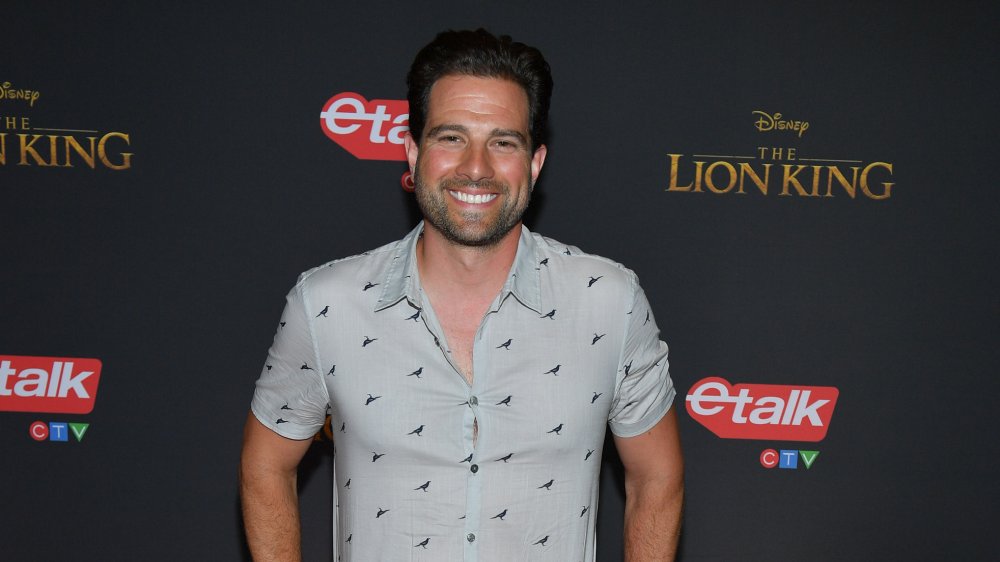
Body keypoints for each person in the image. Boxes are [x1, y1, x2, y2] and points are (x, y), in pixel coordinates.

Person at [240, 28, 683, 561]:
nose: (476, 166)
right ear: (412, 150)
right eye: (451, 137)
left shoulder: (610, 302)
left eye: (503, 142)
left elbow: (658, 478)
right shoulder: (327, 303)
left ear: (536, 163)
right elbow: (265, 464)